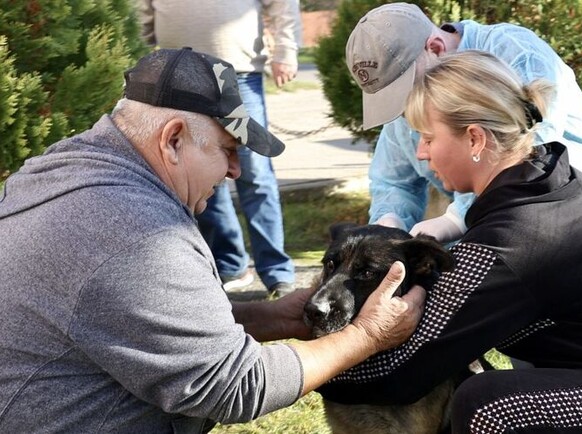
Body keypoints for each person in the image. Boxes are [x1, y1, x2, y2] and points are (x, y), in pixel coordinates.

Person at [0, 48, 426, 433]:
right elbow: (235, 386)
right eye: (228, 149)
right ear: (173, 140)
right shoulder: (136, 231)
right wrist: (367, 335)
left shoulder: (64, 170)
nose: (235, 170)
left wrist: (273, 318)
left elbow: (142, 323)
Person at [316, 50, 582, 433]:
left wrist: (293, 369)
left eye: (428, 137)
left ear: (475, 138)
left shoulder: (516, 234)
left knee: (488, 405)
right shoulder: (543, 179)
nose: (420, 152)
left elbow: (402, 371)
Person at [345, 2, 582, 244]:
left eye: (403, 92)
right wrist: (389, 222)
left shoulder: (514, 50)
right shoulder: (410, 98)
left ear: (436, 48)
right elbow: (393, 180)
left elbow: (531, 153)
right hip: (499, 230)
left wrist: (457, 217)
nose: (405, 108)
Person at [137, 0, 301, 295]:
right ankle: (230, 264)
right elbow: (142, 8)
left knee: (255, 175)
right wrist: (142, 44)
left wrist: (286, 51)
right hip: (178, 73)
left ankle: (277, 272)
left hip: (238, 72)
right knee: (200, 172)